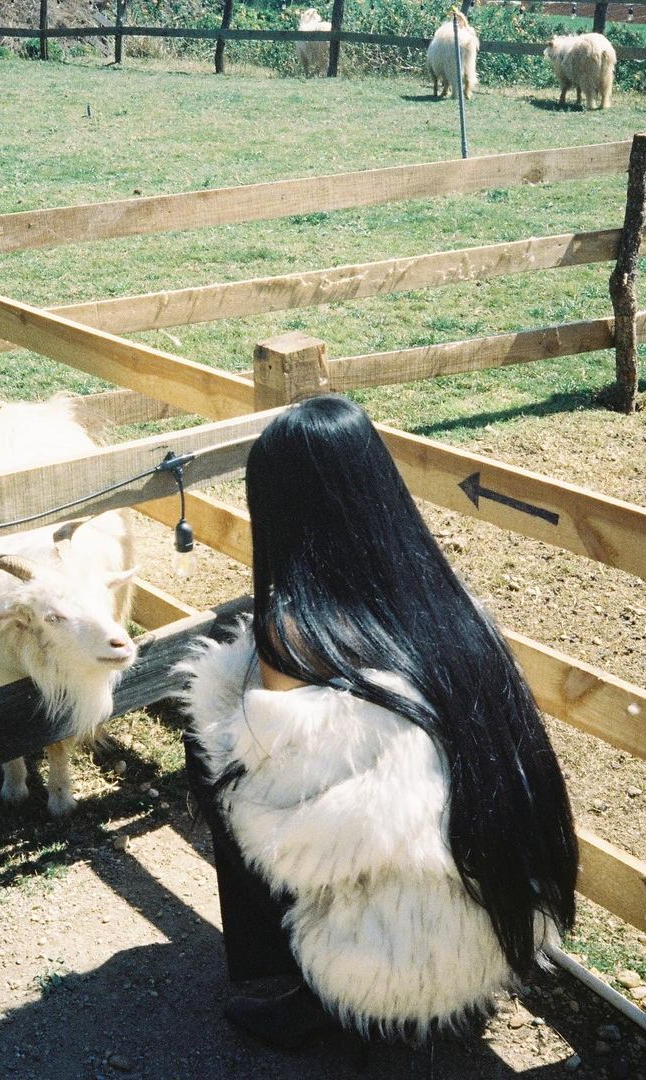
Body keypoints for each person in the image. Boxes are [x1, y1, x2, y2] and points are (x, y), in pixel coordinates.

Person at [178, 394, 579, 1050]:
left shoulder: (295, 627)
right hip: (506, 922)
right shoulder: (446, 601)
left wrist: (229, 714)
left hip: (389, 961)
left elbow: (280, 823)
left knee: (213, 750)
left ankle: (299, 984)